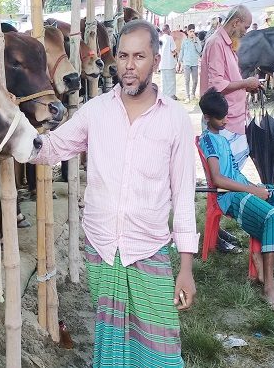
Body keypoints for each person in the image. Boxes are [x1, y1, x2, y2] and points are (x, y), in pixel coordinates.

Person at [32, 20, 197, 367]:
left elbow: (183, 198)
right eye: (123, 56)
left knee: (160, 349)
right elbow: (52, 147)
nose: (129, 66)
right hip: (103, 247)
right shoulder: (96, 112)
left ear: (156, 58)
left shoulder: (175, 120)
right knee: (111, 338)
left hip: (148, 248)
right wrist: (12, 136)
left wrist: (186, 268)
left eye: (139, 56)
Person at [199, 88, 274, 306]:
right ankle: (269, 285)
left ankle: (261, 260)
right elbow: (219, 179)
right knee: (273, 217)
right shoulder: (209, 140)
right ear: (207, 117)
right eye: (220, 117)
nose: (225, 121)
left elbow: (234, 172)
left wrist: (257, 187)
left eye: (226, 115)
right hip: (228, 197)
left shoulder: (221, 138)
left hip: (240, 189)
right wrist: (252, 191)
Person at [199, 5, 260, 169]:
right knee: (227, 176)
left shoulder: (227, 43)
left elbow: (228, 80)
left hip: (233, 118)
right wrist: (245, 83)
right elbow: (217, 85)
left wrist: (245, 86)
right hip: (225, 120)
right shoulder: (216, 43)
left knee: (233, 172)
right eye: (245, 27)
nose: (245, 32)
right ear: (236, 22)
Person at [178, 24, 202, 102]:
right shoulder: (185, 41)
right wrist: (179, 61)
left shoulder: (197, 39)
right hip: (186, 63)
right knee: (187, 80)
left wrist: (195, 42)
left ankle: (193, 94)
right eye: (190, 31)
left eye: (193, 31)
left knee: (195, 80)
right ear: (187, 32)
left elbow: (200, 50)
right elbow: (182, 51)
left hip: (194, 63)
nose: (192, 33)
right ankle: (187, 96)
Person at [158, 25, 178, 100]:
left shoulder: (160, 39)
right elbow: (173, 50)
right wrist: (176, 57)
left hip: (162, 63)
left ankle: (164, 95)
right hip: (169, 63)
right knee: (171, 80)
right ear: (168, 30)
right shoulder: (170, 38)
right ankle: (171, 95)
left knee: (164, 80)